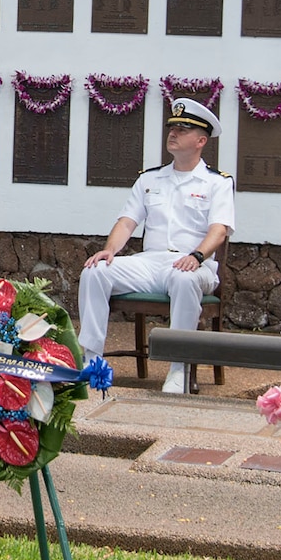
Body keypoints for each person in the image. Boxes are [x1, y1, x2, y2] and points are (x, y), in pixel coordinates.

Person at [77, 97, 235, 393]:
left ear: (201, 140)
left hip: (194, 265)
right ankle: (91, 360)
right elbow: (127, 221)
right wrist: (110, 250)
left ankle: (179, 368)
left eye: (183, 129)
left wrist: (198, 256)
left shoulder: (217, 183)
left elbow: (219, 230)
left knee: (183, 277)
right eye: (172, 127)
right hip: (151, 262)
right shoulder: (150, 179)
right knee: (95, 271)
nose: (173, 133)